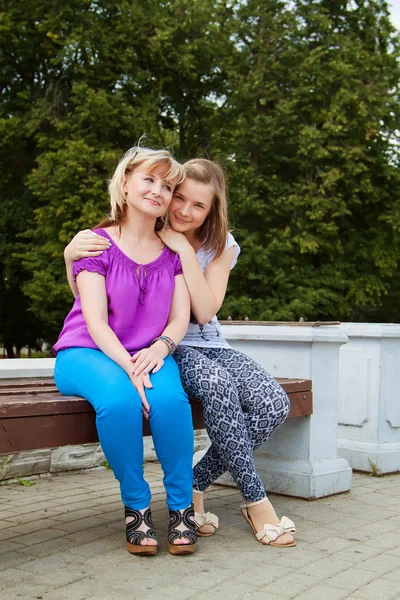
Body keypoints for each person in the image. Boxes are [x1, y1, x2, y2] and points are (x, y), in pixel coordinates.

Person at [65, 158, 296, 548]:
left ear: (212, 210)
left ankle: (194, 485)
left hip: (198, 341)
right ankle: (254, 500)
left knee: (274, 404)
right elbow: (91, 299)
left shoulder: (214, 246)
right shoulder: (129, 230)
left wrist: (186, 252)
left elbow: (204, 312)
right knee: (215, 387)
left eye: (198, 205)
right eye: (180, 197)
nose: (184, 210)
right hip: (168, 347)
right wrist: (69, 256)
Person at [54, 146, 197, 557]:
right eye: (149, 179)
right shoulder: (94, 244)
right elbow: (96, 322)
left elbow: (179, 318)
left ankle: (181, 509)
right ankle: (136, 508)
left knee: (170, 401)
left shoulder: (173, 252)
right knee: (119, 403)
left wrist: (160, 347)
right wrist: (130, 371)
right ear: (126, 183)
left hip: (148, 352)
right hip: (86, 352)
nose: (158, 190)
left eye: (167, 186)